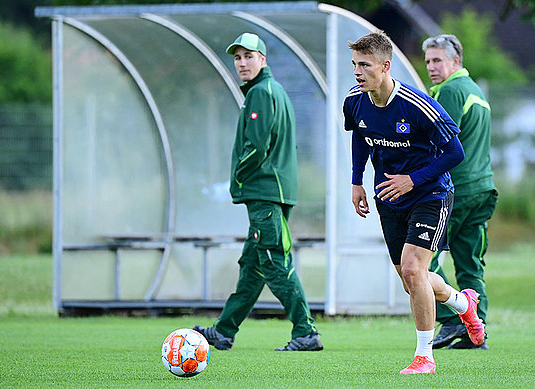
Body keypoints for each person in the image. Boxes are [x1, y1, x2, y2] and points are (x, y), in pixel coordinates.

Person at [343, 31, 484, 374]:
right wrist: (357, 181)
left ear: (385, 66)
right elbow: (361, 137)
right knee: (411, 280)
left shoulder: (417, 104)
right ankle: (463, 302)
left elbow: (456, 152)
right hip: (389, 197)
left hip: (431, 194)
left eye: (365, 65)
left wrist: (413, 179)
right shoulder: (354, 100)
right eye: (354, 65)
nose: (358, 72)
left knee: (412, 269)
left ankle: (425, 357)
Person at [194, 32, 322, 352]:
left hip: (265, 192)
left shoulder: (261, 93)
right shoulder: (273, 90)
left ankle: (306, 332)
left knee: (274, 260)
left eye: (248, 56)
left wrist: (237, 177)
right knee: (253, 266)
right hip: (273, 191)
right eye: (237, 58)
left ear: (262, 60)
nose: (242, 63)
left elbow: (257, 147)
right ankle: (224, 331)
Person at [422, 34, 498, 350]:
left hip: (459, 191)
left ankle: (451, 318)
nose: (431, 67)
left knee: (420, 258)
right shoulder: (476, 92)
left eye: (437, 60)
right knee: (470, 262)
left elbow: (437, 144)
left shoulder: (452, 91)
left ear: (456, 62)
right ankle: (474, 332)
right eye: (428, 61)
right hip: (484, 189)